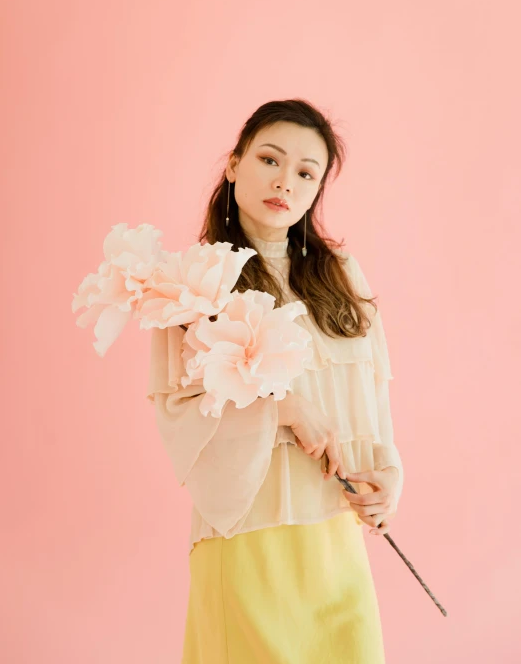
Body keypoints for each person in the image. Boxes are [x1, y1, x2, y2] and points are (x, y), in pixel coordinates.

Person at [147, 98, 404, 663]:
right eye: (269, 159)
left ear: (315, 193)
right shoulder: (193, 283)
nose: (284, 181)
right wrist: (284, 408)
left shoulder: (341, 274)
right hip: (249, 531)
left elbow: (370, 386)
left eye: (305, 173)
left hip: (334, 533)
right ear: (234, 163)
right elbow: (180, 410)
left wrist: (387, 470)